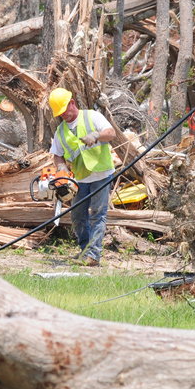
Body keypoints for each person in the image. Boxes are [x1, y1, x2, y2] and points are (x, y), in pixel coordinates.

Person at [48, 87, 117, 267]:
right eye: (60, 114)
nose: (64, 115)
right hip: (80, 179)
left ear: (72, 103)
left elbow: (111, 133)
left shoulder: (91, 116)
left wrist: (96, 135)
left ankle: (93, 256)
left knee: (97, 214)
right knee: (78, 217)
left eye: (65, 111)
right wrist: (62, 169)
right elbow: (57, 154)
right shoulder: (61, 131)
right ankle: (85, 250)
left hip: (102, 174)